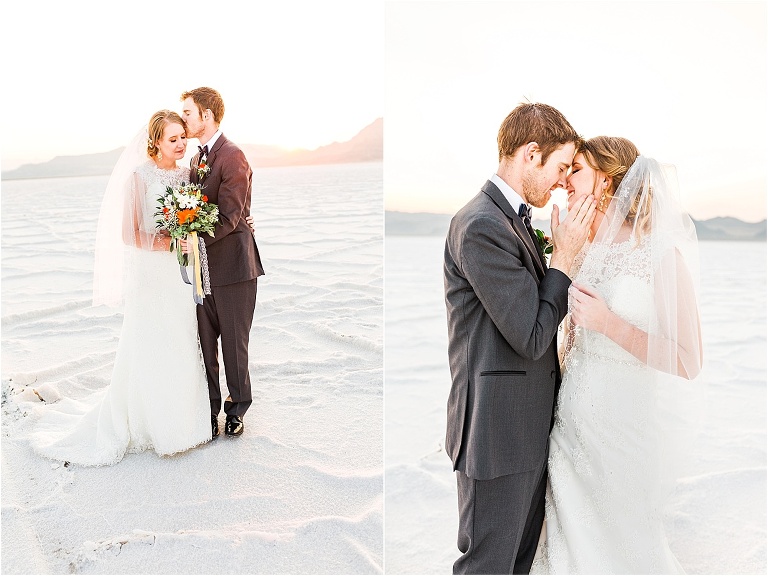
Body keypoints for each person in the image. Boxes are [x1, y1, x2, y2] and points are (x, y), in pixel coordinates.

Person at [531, 136, 703, 574]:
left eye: (578, 170)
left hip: (623, 430)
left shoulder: (661, 255)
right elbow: (564, 337)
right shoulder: (581, 247)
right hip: (571, 426)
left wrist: (610, 324)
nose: (566, 179)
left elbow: (688, 360)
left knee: (624, 543)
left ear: (606, 179)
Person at [443, 103, 596, 574]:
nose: (561, 181)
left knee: (516, 566)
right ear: (532, 154)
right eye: (560, 167)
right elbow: (530, 336)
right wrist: (564, 261)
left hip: (524, 432)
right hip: (497, 435)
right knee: (488, 566)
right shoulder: (482, 226)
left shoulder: (511, 219)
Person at [30, 110, 212, 465]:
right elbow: (128, 234)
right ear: (156, 141)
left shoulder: (189, 174)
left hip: (179, 273)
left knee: (181, 336)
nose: (180, 144)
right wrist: (169, 242)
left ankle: (185, 423)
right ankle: (149, 422)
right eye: (172, 139)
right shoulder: (138, 177)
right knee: (150, 338)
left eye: (183, 138)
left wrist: (186, 236)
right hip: (149, 273)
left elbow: (197, 217)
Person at [179, 87, 264, 439]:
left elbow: (230, 216)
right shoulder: (197, 159)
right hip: (203, 270)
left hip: (234, 269)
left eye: (187, 113)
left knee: (233, 345)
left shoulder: (232, 156)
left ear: (207, 116)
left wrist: (194, 237)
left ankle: (237, 408)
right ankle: (210, 408)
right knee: (205, 343)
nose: (183, 118)